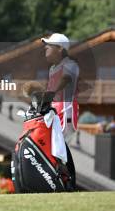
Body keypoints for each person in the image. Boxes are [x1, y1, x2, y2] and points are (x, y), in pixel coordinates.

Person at [41, 33, 79, 188]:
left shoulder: (70, 65)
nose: (45, 48)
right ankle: (62, 181)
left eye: (49, 46)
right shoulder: (52, 68)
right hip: (55, 113)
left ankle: (68, 183)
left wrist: (49, 94)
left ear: (59, 49)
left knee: (60, 150)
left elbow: (65, 80)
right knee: (57, 149)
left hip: (66, 113)